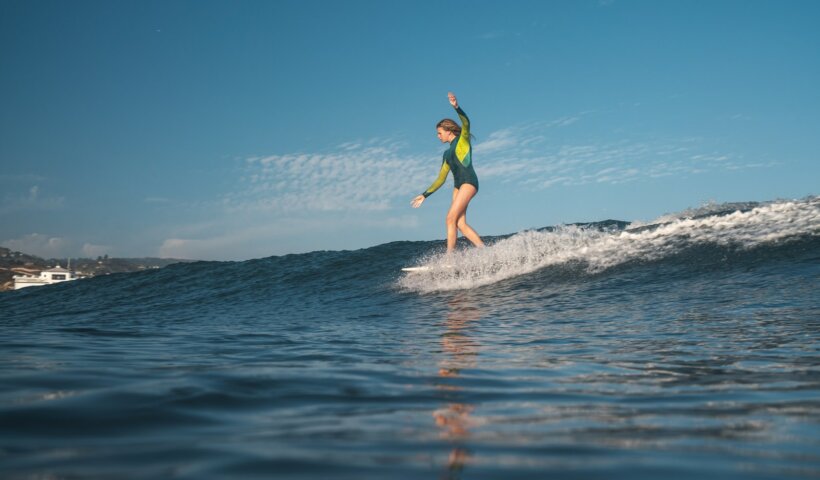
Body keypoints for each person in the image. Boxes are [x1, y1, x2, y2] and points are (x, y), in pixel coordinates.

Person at [411, 92, 484, 252]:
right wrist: (425, 194)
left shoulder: (462, 140)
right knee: (460, 224)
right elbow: (441, 179)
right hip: (458, 186)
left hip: (469, 182)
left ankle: (449, 259)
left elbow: (466, 123)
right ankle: (485, 251)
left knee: (450, 218)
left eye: (439, 133)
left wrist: (456, 107)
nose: (438, 136)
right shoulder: (446, 154)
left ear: (448, 131)